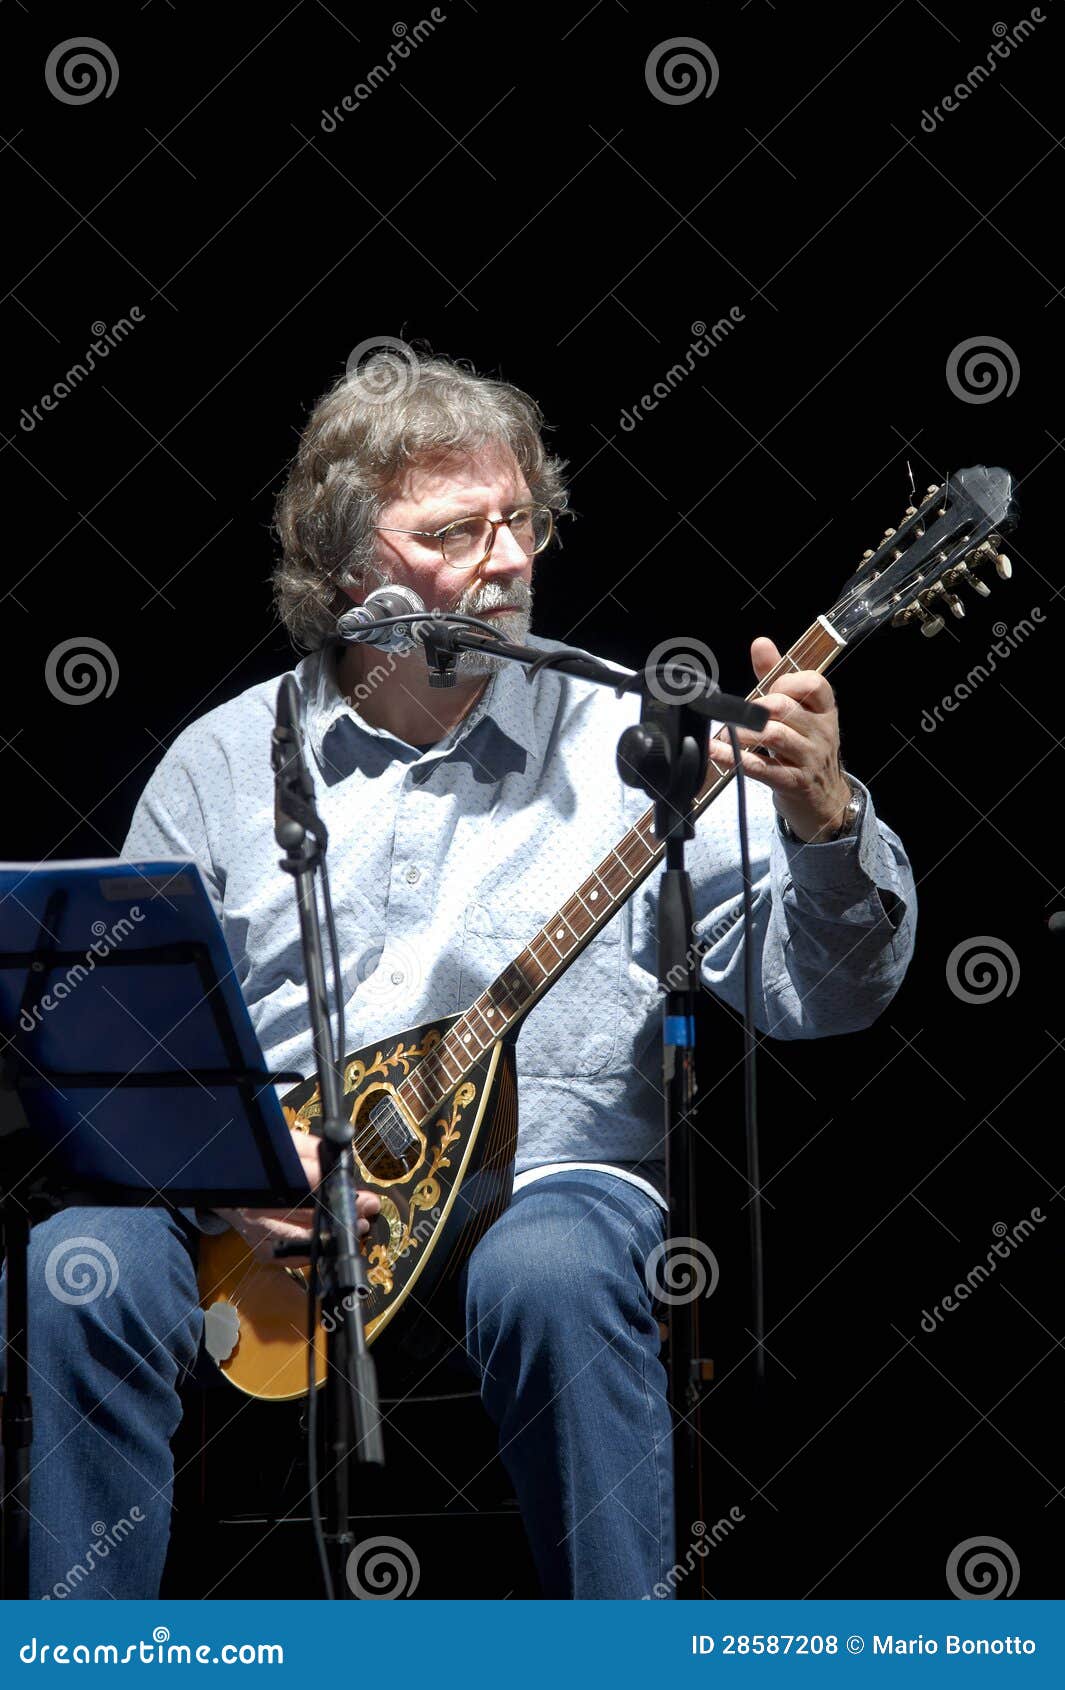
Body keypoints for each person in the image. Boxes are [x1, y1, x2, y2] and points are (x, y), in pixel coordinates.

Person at [1, 353, 916, 1600]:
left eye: (520, 519)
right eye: (454, 531)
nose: (507, 559)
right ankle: (83, 1666)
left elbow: (835, 996)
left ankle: (624, 1671)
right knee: (75, 1265)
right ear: (351, 573)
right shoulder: (224, 762)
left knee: (554, 1266)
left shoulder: (638, 745)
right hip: (260, 1212)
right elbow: (129, 1045)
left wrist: (826, 822)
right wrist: (233, 1163)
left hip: (546, 1190)